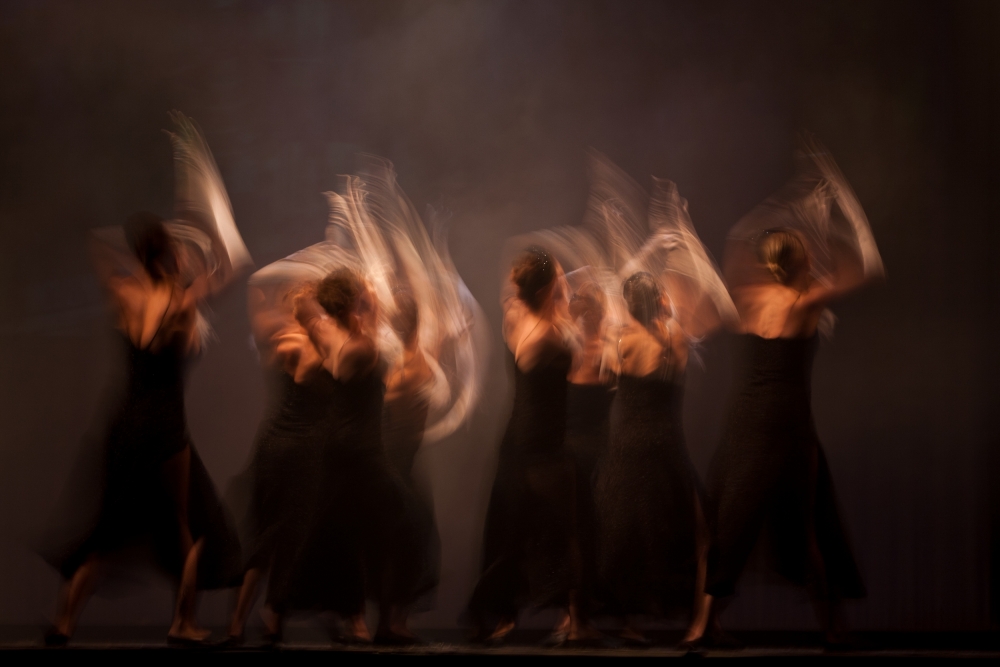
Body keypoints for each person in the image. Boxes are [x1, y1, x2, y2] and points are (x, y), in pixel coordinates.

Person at [44, 211, 243, 646]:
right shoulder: (181, 301)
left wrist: (138, 255)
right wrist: (214, 221)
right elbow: (233, 265)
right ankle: (183, 622)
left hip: (124, 423)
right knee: (187, 523)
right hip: (164, 424)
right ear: (171, 254)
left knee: (108, 528)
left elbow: (98, 243)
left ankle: (63, 622)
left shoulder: (124, 291)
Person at [467, 246, 587, 645]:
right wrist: (569, 298)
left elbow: (519, 297)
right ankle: (574, 620)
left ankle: (507, 616)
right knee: (561, 529)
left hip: (519, 437)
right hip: (542, 442)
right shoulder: (551, 336)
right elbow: (579, 358)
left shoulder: (515, 317)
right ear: (547, 288)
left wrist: (556, 288)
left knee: (513, 527)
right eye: (559, 277)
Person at [289, 268, 412, 645]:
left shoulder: (327, 333)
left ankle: (356, 618)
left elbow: (303, 309)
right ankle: (376, 622)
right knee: (392, 528)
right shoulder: (362, 346)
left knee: (349, 531)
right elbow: (382, 342)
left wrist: (329, 295)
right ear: (353, 302)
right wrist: (371, 303)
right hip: (361, 449)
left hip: (339, 444)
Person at [594, 272, 711, 647]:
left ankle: (631, 622)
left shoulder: (620, 339)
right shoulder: (675, 339)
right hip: (664, 443)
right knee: (691, 531)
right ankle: (699, 624)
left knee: (627, 529)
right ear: (659, 300)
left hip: (627, 444)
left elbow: (606, 375)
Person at [221, 283, 331, 646]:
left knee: (281, 535)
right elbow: (318, 372)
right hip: (294, 448)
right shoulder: (301, 345)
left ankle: (259, 619)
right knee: (276, 535)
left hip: (286, 445)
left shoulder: (287, 338)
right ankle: (251, 620)